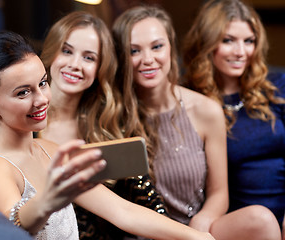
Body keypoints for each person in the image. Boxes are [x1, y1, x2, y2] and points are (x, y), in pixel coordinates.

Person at [0, 30, 215, 240]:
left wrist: (196, 237)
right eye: (23, 92)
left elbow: (122, 211)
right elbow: (16, 225)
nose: (41, 99)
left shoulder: (50, 149)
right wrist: (48, 200)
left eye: (43, 83)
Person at [38, 11, 216, 240]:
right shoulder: (25, 122)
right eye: (67, 51)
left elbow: (145, 203)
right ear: (52, 51)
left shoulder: (104, 127)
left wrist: (190, 235)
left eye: (89, 57)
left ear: (101, 67)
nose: (75, 65)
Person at [112, 5, 282, 239]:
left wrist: (198, 227)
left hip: (196, 227)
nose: (148, 59)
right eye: (134, 51)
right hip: (141, 231)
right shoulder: (110, 114)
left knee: (260, 219)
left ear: (171, 48)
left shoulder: (205, 109)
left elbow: (218, 193)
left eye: (157, 46)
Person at [182, 0, 285, 238]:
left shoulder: (276, 88)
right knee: (261, 219)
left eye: (249, 41)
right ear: (207, 43)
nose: (241, 52)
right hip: (240, 221)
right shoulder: (192, 102)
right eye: (228, 40)